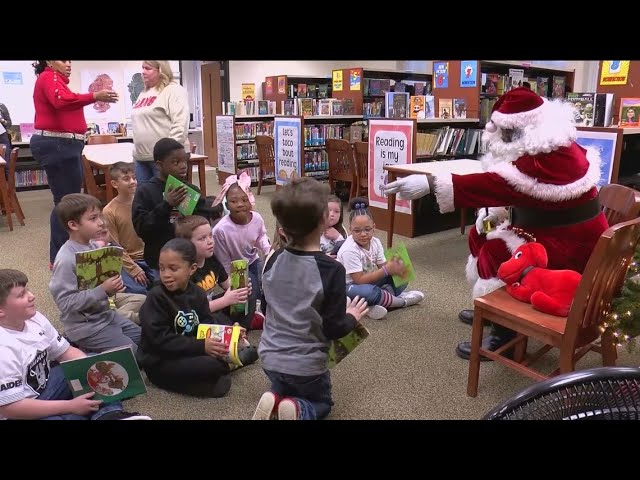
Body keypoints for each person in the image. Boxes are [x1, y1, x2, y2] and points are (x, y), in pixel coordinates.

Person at [382, 87, 609, 360]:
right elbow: (524, 193)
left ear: (524, 128)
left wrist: (429, 183)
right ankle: (492, 308)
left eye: (507, 133)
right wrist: (500, 214)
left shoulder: (544, 160)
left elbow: (500, 183)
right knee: (479, 236)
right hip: (556, 228)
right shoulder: (550, 144)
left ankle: (506, 337)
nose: (500, 138)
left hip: (571, 246)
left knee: (495, 252)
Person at [253, 177, 368, 421]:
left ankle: (275, 397)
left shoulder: (273, 260)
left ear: (282, 225)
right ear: (325, 219)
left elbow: (266, 307)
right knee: (323, 403)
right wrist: (352, 317)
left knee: (285, 380)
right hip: (307, 369)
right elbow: (334, 327)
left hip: (270, 358)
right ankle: (299, 409)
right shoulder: (331, 270)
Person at [0, 268, 150, 420]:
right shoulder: (3, 349)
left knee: (94, 363)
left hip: (44, 386)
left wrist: (91, 370)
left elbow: (65, 352)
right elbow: (11, 408)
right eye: (21, 295)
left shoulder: (34, 318)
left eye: (28, 290)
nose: (32, 296)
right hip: (18, 408)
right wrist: (70, 406)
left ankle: (111, 415)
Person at [137, 238, 258, 398]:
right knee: (213, 366)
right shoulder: (156, 296)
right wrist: (202, 347)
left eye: (173, 269)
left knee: (238, 347)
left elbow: (207, 325)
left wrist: (230, 334)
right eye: (162, 268)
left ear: (192, 268)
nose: (166, 274)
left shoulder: (198, 294)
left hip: (190, 349)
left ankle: (218, 371)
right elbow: (159, 340)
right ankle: (221, 370)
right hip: (161, 359)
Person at [29, 60, 118, 267]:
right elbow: (62, 100)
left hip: (63, 145)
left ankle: (62, 254)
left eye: (70, 60)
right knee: (65, 203)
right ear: (50, 61)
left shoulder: (55, 79)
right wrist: (94, 96)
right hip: (59, 144)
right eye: (63, 60)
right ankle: (60, 257)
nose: (68, 64)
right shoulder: (48, 76)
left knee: (65, 201)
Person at [49, 193, 142, 354]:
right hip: (85, 327)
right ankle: (82, 352)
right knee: (131, 354)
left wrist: (112, 285)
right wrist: (103, 290)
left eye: (99, 217)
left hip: (106, 315)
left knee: (144, 340)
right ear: (73, 225)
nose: (101, 223)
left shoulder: (92, 246)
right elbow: (65, 303)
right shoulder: (66, 259)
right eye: (93, 219)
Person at [336, 197, 424, 321]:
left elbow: (382, 265)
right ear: (350, 230)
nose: (363, 234)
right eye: (357, 231)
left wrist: (396, 268)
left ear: (374, 228)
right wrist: (386, 270)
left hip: (370, 281)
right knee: (369, 292)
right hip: (349, 286)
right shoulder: (349, 250)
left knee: (403, 276)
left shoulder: (375, 242)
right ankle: (401, 302)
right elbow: (359, 280)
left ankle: (374, 303)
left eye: (367, 229)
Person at [132, 137, 209, 276]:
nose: (183, 166)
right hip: (160, 261)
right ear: (159, 165)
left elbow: (203, 221)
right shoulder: (146, 191)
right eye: (175, 162)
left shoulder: (192, 190)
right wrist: (166, 205)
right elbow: (142, 229)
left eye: (185, 160)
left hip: (189, 258)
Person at [175, 215, 264, 329]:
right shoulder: (185, 271)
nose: (210, 241)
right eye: (202, 238)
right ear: (186, 243)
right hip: (196, 315)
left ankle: (241, 329)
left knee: (247, 294)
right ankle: (234, 329)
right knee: (218, 320)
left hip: (212, 306)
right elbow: (193, 310)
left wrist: (240, 287)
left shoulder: (210, 258)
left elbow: (227, 284)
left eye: (210, 236)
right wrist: (225, 300)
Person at [212, 172, 271, 326]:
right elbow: (222, 260)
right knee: (246, 295)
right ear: (226, 202)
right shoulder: (220, 230)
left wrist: (267, 250)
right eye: (234, 201)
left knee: (263, 285)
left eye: (244, 200)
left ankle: (259, 312)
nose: (240, 204)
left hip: (252, 259)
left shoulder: (257, 218)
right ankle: (245, 320)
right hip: (234, 267)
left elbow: (261, 237)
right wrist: (229, 282)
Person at [130, 61, 190, 184]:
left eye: (148, 68)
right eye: (142, 68)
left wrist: (168, 155)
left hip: (164, 160)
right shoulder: (144, 93)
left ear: (161, 70)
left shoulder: (173, 90)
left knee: (169, 198)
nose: (143, 72)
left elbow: (180, 125)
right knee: (146, 199)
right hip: (141, 158)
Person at [102, 162, 155, 294]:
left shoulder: (144, 201)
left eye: (134, 178)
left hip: (150, 255)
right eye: (126, 179)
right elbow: (115, 246)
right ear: (115, 184)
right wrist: (133, 269)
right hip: (127, 260)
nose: (133, 182)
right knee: (138, 291)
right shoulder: (109, 211)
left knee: (165, 285)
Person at [0, 102, 12, 166]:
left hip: (2, 137)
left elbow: (9, 124)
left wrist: (2, 120)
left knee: (6, 165)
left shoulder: (1, 106)